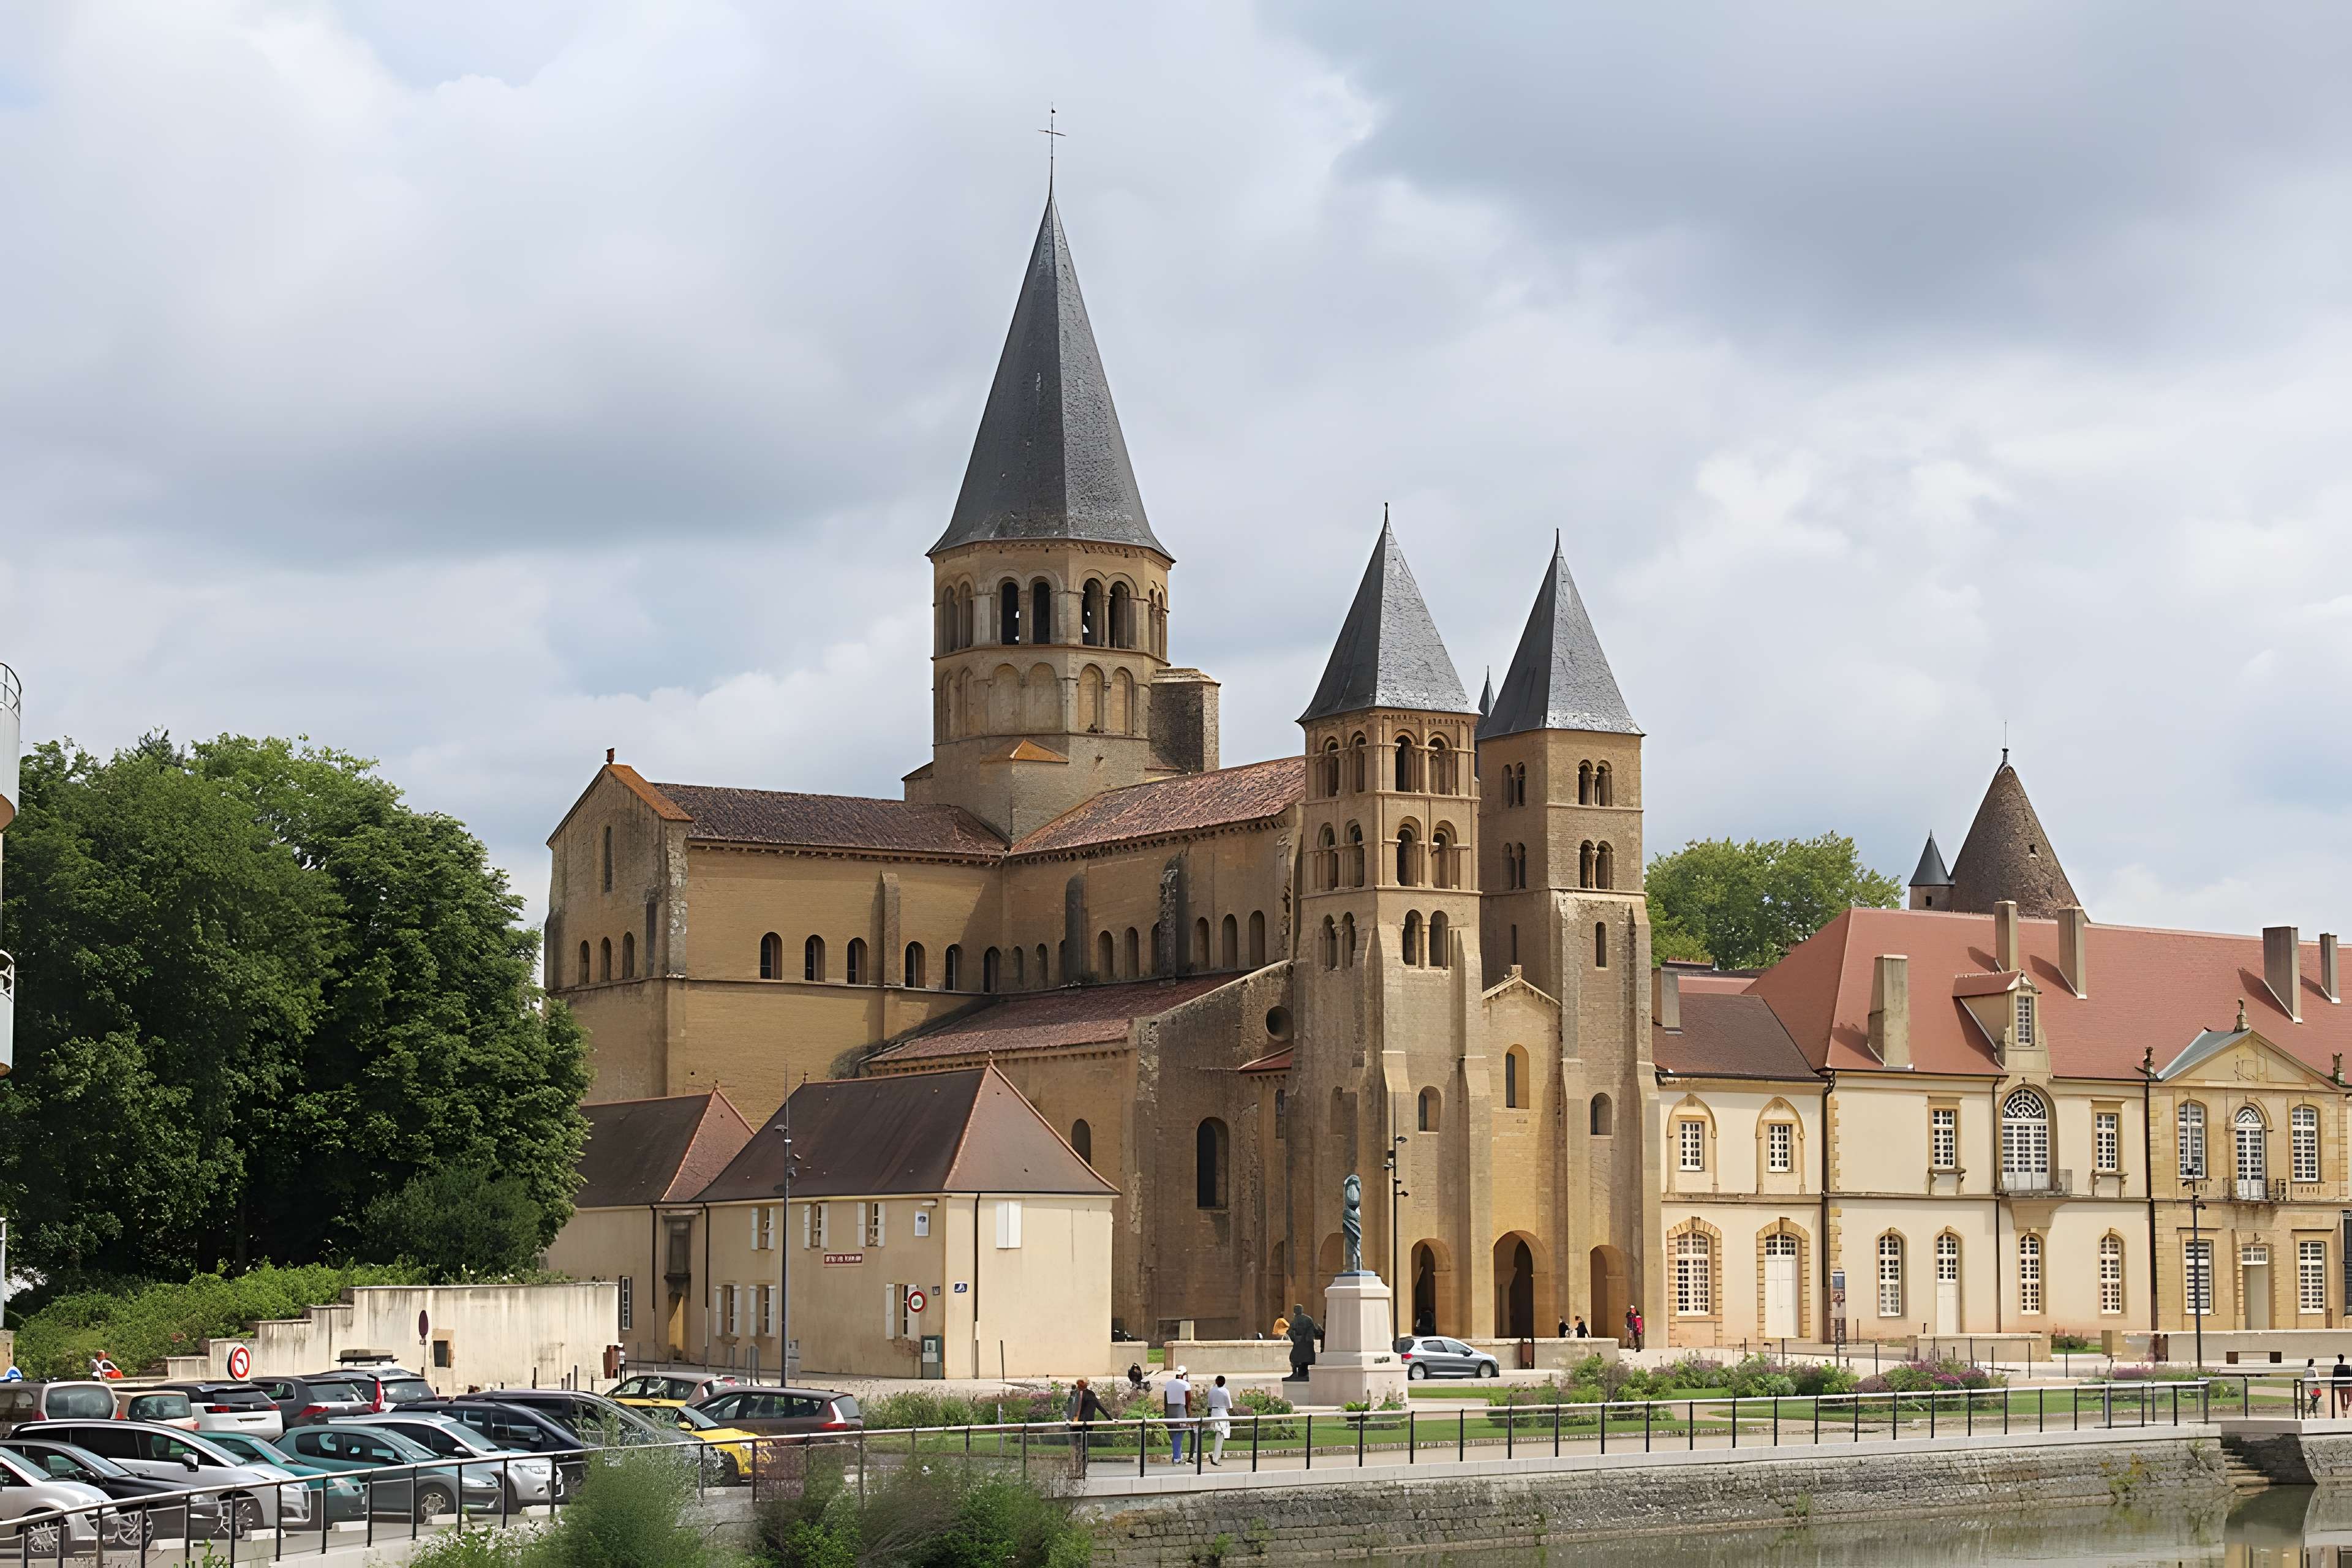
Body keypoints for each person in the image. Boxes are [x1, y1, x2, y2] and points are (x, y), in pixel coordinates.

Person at [1067, 1378, 1109, 1478]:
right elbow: (1100, 1407)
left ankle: (1078, 1469)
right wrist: (1109, 1418)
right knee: (1084, 1447)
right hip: (1085, 1425)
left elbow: (1076, 1409)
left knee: (1078, 1447)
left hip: (1080, 1425)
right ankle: (1082, 1468)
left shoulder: (1081, 1395)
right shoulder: (1089, 1394)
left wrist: (1070, 1420)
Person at [1163, 1365, 1193, 1464]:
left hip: (1170, 1410)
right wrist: (1189, 1415)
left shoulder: (1168, 1384)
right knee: (1178, 1434)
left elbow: (1165, 1401)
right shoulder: (1186, 1385)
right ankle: (1177, 1457)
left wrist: (1166, 1413)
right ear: (1183, 1375)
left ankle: (1178, 1454)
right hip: (1180, 1411)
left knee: (1175, 1434)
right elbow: (1188, 1403)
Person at [1204, 1374, 1234, 1466]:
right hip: (1222, 1412)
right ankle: (1216, 1457)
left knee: (1220, 1434)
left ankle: (1217, 1456)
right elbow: (1229, 1406)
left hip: (1214, 1412)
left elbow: (1209, 1404)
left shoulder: (1212, 1390)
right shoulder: (1225, 1391)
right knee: (1221, 1434)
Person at [2332, 1353, 2350, 1417]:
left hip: (2340, 1386)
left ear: (2339, 1359)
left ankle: (2343, 1412)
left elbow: (2334, 1377)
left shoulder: (2336, 1367)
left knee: (2342, 1400)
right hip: (2348, 1386)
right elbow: (2350, 1376)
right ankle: (2347, 1408)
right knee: (2348, 1400)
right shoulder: (2348, 1367)